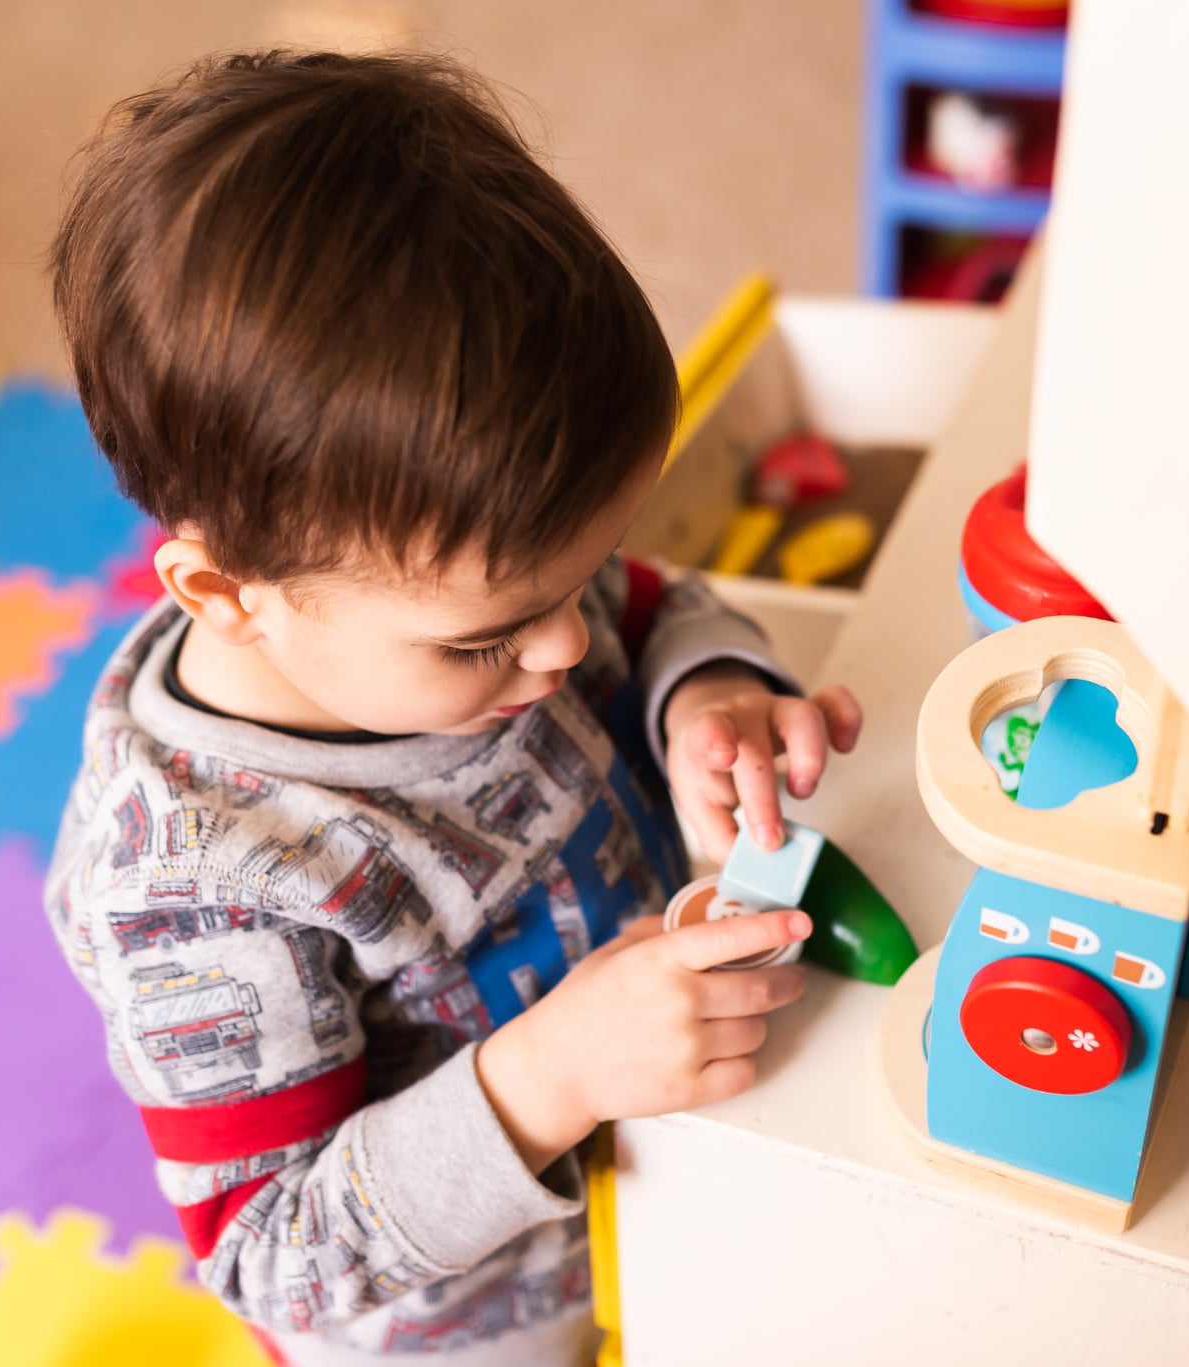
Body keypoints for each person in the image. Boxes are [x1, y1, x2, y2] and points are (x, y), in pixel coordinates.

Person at [43, 49, 860, 1364]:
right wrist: (551, 1080)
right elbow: (270, 1255)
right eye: (490, 636)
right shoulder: (197, 894)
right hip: (476, 1331)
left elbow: (651, 607)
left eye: (580, 575)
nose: (561, 643)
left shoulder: (477, 589)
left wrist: (707, 687)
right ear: (228, 592)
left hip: (681, 1178)